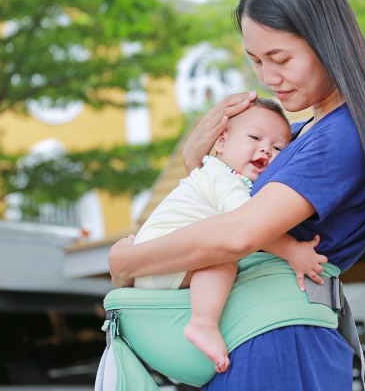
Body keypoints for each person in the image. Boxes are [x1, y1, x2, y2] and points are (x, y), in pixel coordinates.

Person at [109, 0, 365, 389]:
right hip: (261, 338)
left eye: (280, 59)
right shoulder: (298, 135)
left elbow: (238, 234)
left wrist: (128, 263)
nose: (267, 78)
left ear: (326, 40)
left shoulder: (341, 138)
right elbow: (227, 208)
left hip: (278, 341)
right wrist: (198, 164)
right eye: (256, 60)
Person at [132, 98, 327, 373]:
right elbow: (251, 225)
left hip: (156, 264)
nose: (265, 149)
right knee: (225, 252)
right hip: (161, 260)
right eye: (255, 137)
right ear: (221, 142)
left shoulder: (219, 177)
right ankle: (203, 324)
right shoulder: (223, 177)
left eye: (277, 148)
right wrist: (293, 250)